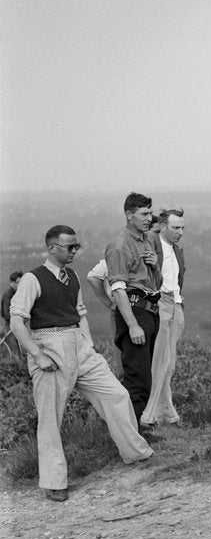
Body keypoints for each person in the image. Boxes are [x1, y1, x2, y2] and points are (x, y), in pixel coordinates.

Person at [8, 225, 153, 502]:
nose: (75, 251)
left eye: (77, 246)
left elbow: (80, 312)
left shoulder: (72, 276)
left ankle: (136, 453)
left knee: (116, 394)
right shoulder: (32, 279)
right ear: (52, 248)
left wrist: (87, 344)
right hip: (49, 345)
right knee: (51, 418)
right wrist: (38, 355)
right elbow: (17, 321)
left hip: (78, 344)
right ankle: (54, 482)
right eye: (69, 247)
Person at [105, 192, 162, 437]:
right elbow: (118, 289)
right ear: (129, 215)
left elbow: (156, 281)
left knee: (144, 377)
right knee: (137, 379)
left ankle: (134, 428)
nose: (149, 218)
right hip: (135, 311)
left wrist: (154, 265)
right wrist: (133, 325)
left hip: (150, 310)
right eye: (144, 214)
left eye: (150, 213)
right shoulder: (120, 246)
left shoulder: (145, 241)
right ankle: (128, 434)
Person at [141, 208, 186, 429]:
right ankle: (150, 415)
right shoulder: (152, 245)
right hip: (162, 303)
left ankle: (166, 413)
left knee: (169, 365)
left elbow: (178, 278)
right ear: (164, 227)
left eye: (182, 228)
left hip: (175, 304)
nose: (180, 232)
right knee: (160, 362)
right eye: (176, 227)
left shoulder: (176, 250)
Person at [1, 271, 24, 350]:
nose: (20, 285)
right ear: (12, 283)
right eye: (18, 283)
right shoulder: (7, 295)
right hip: (10, 325)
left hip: (19, 324)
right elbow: (6, 314)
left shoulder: (20, 293)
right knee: (14, 350)